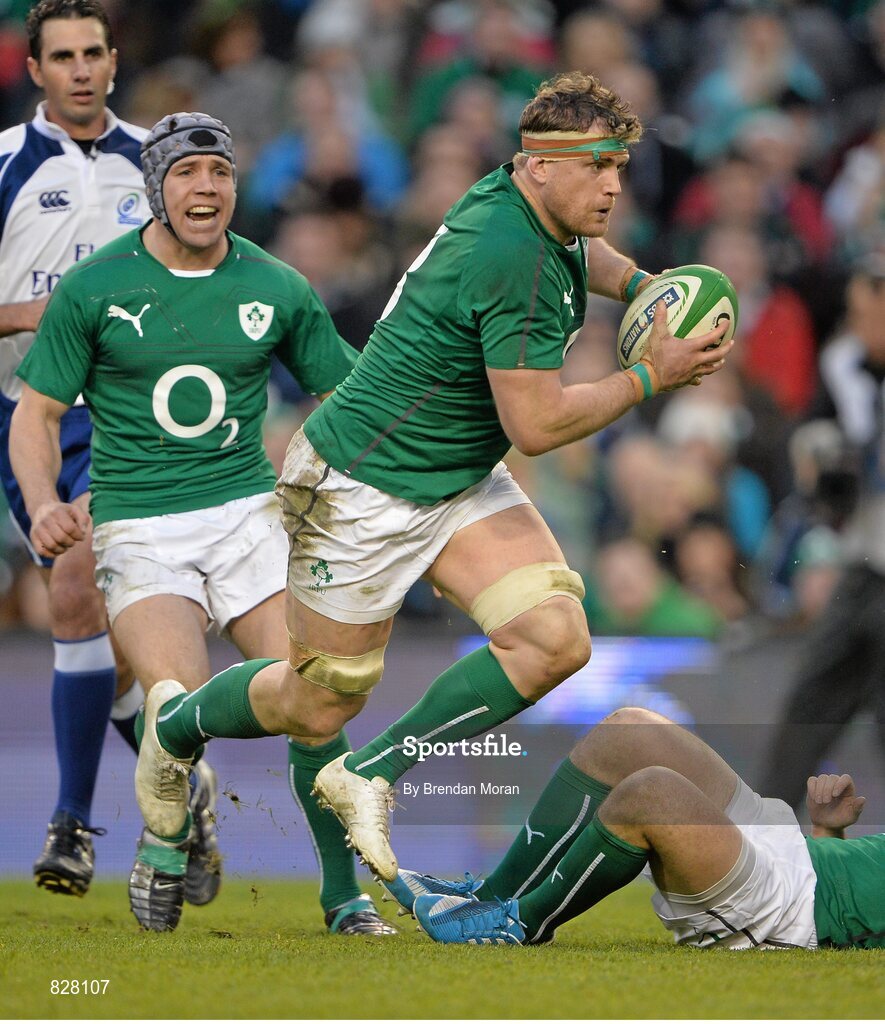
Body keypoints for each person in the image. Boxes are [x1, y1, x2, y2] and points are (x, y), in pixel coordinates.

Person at [117, 71, 732, 896]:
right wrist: (649, 378)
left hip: (451, 477)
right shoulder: (508, 255)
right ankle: (179, 724)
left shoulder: (529, 203)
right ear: (539, 166)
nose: (613, 184)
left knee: (556, 639)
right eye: (596, 166)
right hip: (362, 486)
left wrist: (643, 286)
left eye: (618, 164)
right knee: (313, 707)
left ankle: (371, 771)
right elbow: (538, 428)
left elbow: (585, 251)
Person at [11, 111, 395, 939]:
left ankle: (344, 900)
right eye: (187, 174)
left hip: (247, 520)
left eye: (219, 173)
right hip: (140, 526)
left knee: (317, 700)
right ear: (155, 189)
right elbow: (37, 414)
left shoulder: (278, 286)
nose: (206, 188)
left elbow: (351, 400)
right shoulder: (94, 288)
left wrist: (346, 487)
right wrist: (44, 501)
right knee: (173, 703)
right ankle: (170, 828)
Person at [0, 0, 187, 901]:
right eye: (60, 56)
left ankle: (70, 826)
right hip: (23, 415)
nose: (79, 69)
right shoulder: (0, 163)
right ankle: (185, 794)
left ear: (114, 61)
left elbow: (211, 268)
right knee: (96, 644)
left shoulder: (159, 160)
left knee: (70, 583)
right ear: (35, 69)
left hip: (127, 420)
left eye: (92, 53)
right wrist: (32, 314)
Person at [381, 707, 883, 950]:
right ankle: (495, 892)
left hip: (790, 910)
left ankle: (520, 922)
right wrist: (827, 832)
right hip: (795, 847)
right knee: (630, 731)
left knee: (651, 795)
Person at [760, 253, 885, 810]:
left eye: (863, 314)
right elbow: (819, 447)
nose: (854, 328)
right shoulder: (846, 365)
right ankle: (763, 849)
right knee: (809, 707)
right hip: (865, 569)